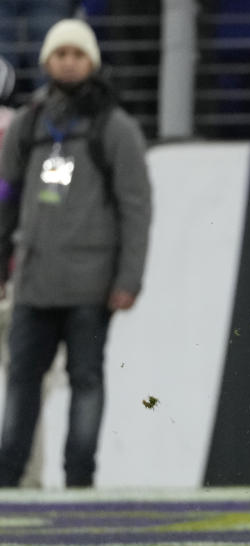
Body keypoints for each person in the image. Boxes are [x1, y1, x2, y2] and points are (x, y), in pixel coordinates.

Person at [0, 18, 152, 487]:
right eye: (59, 54)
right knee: (22, 382)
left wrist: (129, 279)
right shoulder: (28, 122)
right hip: (33, 278)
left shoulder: (116, 127)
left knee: (86, 381)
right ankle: (8, 480)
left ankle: (79, 481)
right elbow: (6, 198)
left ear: (92, 62)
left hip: (91, 281)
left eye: (77, 54)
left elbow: (136, 207)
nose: (67, 62)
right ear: (46, 61)